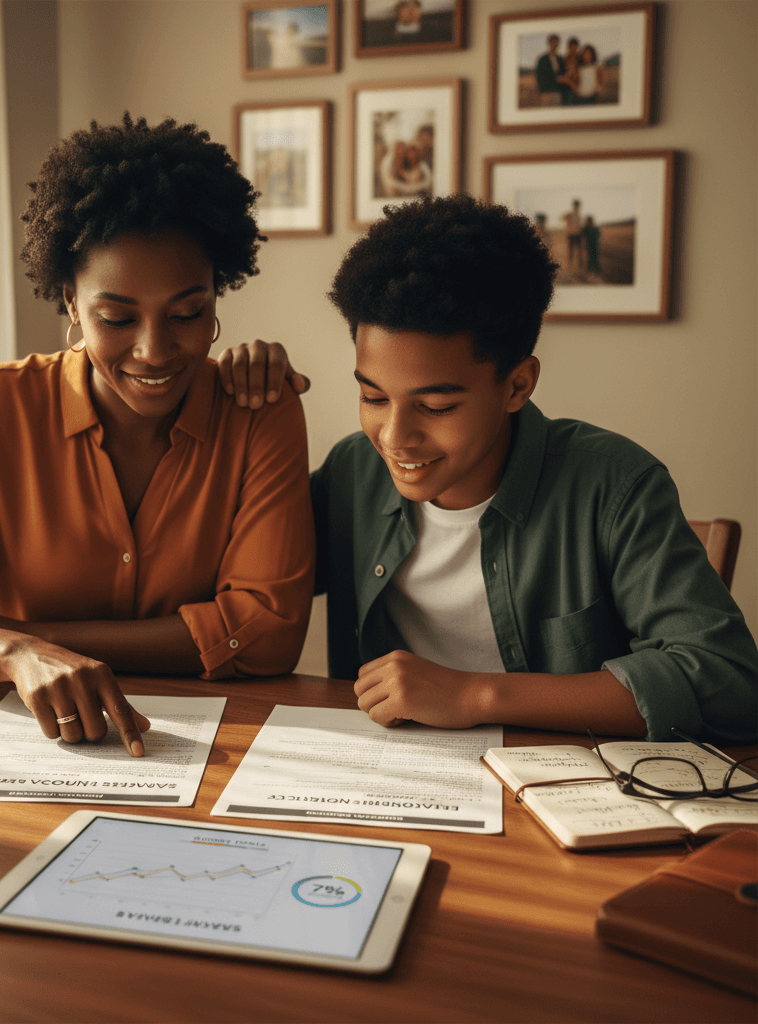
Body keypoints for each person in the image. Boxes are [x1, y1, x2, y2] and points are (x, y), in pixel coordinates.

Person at [0, 114, 315, 755]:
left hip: (213, 753)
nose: (154, 350)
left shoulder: (259, 409)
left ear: (216, 294)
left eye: (187, 313)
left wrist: (18, 634)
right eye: (117, 318)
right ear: (70, 302)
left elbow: (265, 633)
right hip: (33, 749)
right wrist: (14, 651)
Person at [217, 195, 757, 745]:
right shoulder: (353, 473)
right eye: (373, 397)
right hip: (389, 781)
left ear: (518, 385)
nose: (395, 437)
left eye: (436, 407)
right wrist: (232, 411)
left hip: (558, 797)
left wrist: (473, 695)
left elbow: (727, 681)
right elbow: (220, 581)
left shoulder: (614, 486)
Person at [534, 33, 563, 105]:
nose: (555, 44)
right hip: (546, 94)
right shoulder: (542, 59)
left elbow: (561, 75)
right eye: (553, 42)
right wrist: (542, 92)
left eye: (556, 42)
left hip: (557, 93)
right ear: (549, 43)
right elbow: (539, 76)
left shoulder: (560, 59)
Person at [556, 36, 580, 105]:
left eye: (575, 47)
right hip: (567, 91)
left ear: (577, 47)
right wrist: (570, 82)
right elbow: (559, 78)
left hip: (580, 90)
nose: (573, 49)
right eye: (571, 47)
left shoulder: (581, 59)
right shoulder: (563, 60)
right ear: (568, 48)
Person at [563, 198, 584, 270]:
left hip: (577, 234)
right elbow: (563, 218)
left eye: (577, 205)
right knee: (571, 250)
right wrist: (566, 216)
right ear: (574, 205)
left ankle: (579, 265)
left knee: (579, 250)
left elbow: (580, 224)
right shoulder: (570, 213)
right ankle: (570, 265)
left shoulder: (579, 214)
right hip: (571, 234)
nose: (577, 206)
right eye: (576, 204)